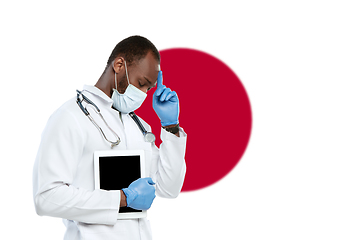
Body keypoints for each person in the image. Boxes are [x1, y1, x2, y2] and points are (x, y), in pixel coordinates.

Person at [32, 35, 187, 240]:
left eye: (148, 89)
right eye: (141, 83)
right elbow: (46, 198)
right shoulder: (71, 117)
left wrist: (170, 126)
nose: (143, 94)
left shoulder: (138, 126)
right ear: (119, 64)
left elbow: (169, 187)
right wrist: (122, 198)